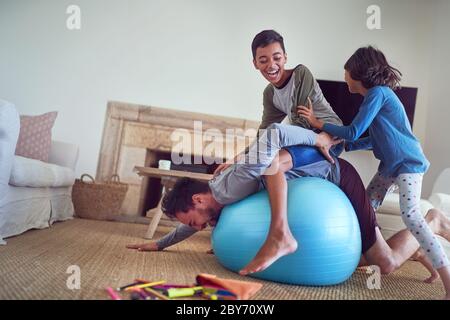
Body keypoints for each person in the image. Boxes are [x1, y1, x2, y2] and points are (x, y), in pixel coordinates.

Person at [127, 123, 450, 284]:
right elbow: (190, 223)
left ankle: (433, 221)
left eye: (193, 221)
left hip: (338, 176)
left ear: (199, 198)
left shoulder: (229, 187)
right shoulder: (219, 190)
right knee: (368, 258)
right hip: (318, 176)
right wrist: (160, 244)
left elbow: (274, 132)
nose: (196, 228)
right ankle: (420, 249)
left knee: (385, 264)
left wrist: (319, 139)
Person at [298, 45, 450, 299]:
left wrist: (318, 123)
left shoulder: (378, 94)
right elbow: (371, 139)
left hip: (408, 163)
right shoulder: (377, 97)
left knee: (412, 216)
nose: (344, 75)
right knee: (366, 207)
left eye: (346, 71)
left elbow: (354, 131)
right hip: (390, 166)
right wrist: (342, 143)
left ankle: (448, 280)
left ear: (359, 72)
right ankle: (402, 253)